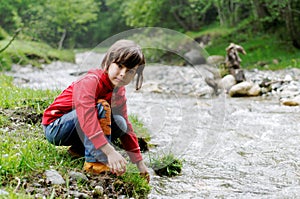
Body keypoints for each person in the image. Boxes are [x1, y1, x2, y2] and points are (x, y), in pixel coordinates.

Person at [42, 40, 149, 181]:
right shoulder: (91, 81)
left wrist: (140, 164)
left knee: (121, 123)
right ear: (109, 62)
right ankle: (95, 162)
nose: (123, 74)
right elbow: (87, 117)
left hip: (79, 127)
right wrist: (110, 152)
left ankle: (78, 149)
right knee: (101, 106)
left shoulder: (119, 92)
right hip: (56, 127)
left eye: (130, 71)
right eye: (120, 66)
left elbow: (127, 130)